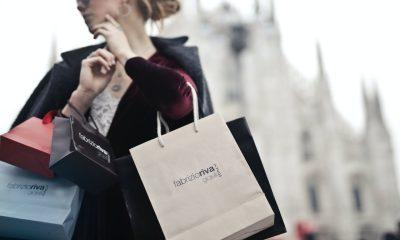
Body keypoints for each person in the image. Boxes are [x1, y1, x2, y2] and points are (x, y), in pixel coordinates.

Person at [10, 0, 214, 239]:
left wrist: (128, 56)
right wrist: (82, 97)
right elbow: (33, 153)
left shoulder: (171, 69)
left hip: (144, 226)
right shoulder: (76, 69)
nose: (79, 6)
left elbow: (180, 104)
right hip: (74, 225)